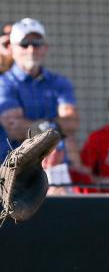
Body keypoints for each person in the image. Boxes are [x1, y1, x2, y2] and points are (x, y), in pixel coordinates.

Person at [0, 18, 81, 167]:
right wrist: (54, 127)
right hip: (13, 169)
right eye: (24, 44)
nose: (31, 50)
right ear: (12, 49)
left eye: (37, 44)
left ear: (45, 47)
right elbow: (14, 128)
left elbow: (71, 122)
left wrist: (37, 128)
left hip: (55, 168)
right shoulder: (3, 83)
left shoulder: (60, 83)